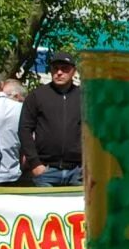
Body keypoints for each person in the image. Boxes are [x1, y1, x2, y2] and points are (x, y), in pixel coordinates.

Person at [19, 55, 84, 186]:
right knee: (46, 207)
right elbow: (24, 130)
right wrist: (35, 163)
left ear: (74, 71)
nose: (59, 73)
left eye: (65, 69)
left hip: (78, 171)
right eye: (55, 69)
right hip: (45, 171)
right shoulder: (37, 96)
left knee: (79, 207)